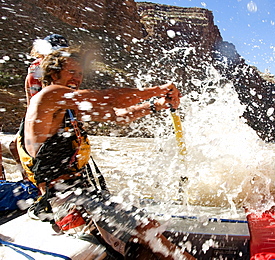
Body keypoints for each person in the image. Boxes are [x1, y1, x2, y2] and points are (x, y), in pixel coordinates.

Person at [16, 46, 195, 259]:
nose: (78, 78)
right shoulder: (50, 95)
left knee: (149, 235)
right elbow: (109, 99)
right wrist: (158, 89)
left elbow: (119, 115)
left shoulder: (67, 107)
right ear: (54, 74)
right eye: (71, 72)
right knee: (149, 231)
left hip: (80, 195)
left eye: (80, 73)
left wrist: (156, 105)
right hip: (65, 201)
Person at [8, 34, 69, 178]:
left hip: (50, 116)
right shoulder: (37, 67)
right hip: (37, 114)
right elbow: (31, 94)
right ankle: (30, 180)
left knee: (26, 149)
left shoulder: (55, 69)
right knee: (16, 147)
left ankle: (33, 181)